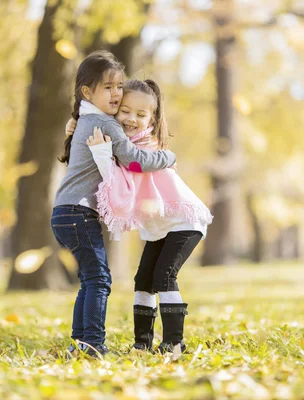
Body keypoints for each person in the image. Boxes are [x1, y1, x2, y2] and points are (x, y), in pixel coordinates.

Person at [67, 79, 212, 353]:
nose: (131, 119)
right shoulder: (121, 141)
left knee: (164, 276)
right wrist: (76, 125)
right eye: (125, 111)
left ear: (151, 120)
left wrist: (102, 153)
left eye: (141, 115)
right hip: (160, 227)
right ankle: (142, 344)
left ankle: (174, 343)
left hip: (183, 222)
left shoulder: (144, 146)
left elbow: (126, 171)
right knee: (143, 280)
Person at [51, 52, 177, 357]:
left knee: (89, 279)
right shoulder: (103, 123)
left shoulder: (89, 118)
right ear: (87, 92)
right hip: (79, 212)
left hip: (66, 212)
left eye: (119, 86)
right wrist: (168, 157)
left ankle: (81, 343)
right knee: (99, 279)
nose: (116, 93)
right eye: (108, 87)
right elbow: (134, 160)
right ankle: (92, 343)